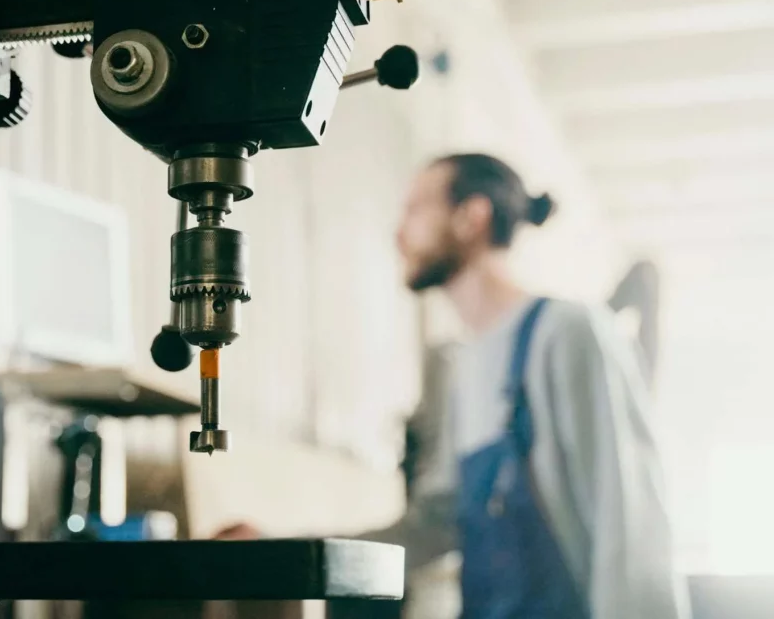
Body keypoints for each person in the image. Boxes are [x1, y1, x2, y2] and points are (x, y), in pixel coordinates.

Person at [217, 153, 690, 619]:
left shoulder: (567, 333)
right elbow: (432, 526)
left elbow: (631, 530)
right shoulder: (463, 367)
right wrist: (278, 552)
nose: (399, 233)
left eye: (415, 209)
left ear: (472, 217)